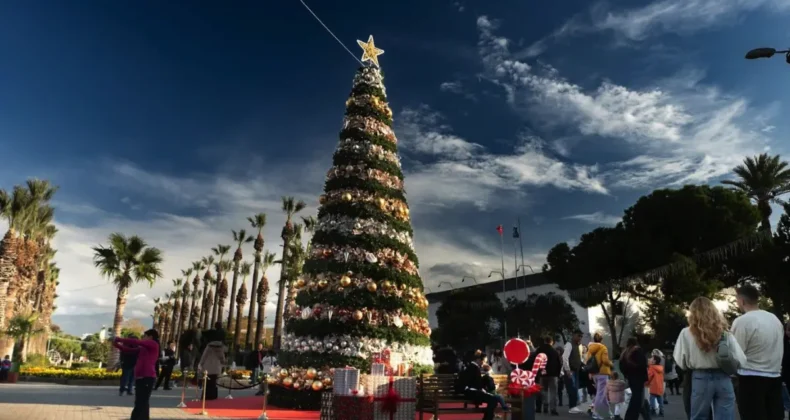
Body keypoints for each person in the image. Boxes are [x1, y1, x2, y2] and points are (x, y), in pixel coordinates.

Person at [673, 296, 745, 420]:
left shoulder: (686, 333)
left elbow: (681, 361)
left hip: (700, 378)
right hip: (723, 378)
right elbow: (741, 359)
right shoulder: (724, 333)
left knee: (699, 417)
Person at [731, 284, 784, 420]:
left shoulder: (742, 321)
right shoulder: (774, 319)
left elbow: (736, 353)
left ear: (742, 301)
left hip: (751, 376)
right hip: (774, 375)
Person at [113, 329, 160, 420]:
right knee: (140, 402)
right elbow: (128, 350)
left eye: (145, 336)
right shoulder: (143, 348)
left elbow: (136, 341)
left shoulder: (153, 344)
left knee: (141, 402)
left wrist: (120, 339)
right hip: (140, 378)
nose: (143, 338)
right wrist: (116, 345)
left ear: (150, 337)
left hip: (147, 377)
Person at [458, 350, 499, 420]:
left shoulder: (472, 367)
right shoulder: (474, 368)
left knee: (493, 399)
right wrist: (484, 390)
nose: (484, 363)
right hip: (472, 393)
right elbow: (477, 384)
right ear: (478, 360)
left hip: (472, 392)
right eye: (483, 361)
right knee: (493, 400)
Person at [620, 337, 651, 420]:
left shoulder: (625, 353)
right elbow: (643, 365)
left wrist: (627, 375)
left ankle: (631, 416)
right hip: (639, 378)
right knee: (638, 399)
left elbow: (621, 366)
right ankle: (633, 416)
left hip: (630, 378)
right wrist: (645, 378)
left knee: (634, 397)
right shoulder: (637, 351)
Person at [530, 336, 561, 415]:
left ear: (544, 341)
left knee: (544, 391)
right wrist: (558, 374)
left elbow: (535, 359)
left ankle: (545, 406)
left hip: (542, 374)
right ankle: (553, 409)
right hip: (553, 374)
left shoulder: (540, 350)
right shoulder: (554, 351)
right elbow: (559, 363)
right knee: (553, 392)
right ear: (551, 342)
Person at [586, 332, 613, 420]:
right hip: (603, 373)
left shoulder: (590, 348)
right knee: (601, 394)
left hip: (594, 373)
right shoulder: (603, 347)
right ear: (601, 339)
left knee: (602, 393)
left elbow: (587, 361)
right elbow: (605, 360)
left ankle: (608, 412)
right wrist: (611, 364)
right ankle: (595, 413)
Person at [564, 330, 584, 411]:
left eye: (581, 336)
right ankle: (572, 406)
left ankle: (574, 405)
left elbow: (579, 358)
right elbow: (565, 358)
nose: (580, 338)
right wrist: (567, 369)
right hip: (571, 370)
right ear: (574, 335)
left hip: (576, 370)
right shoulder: (569, 344)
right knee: (572, 389)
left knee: (575, 388)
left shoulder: (578, 345)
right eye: (578, 336)